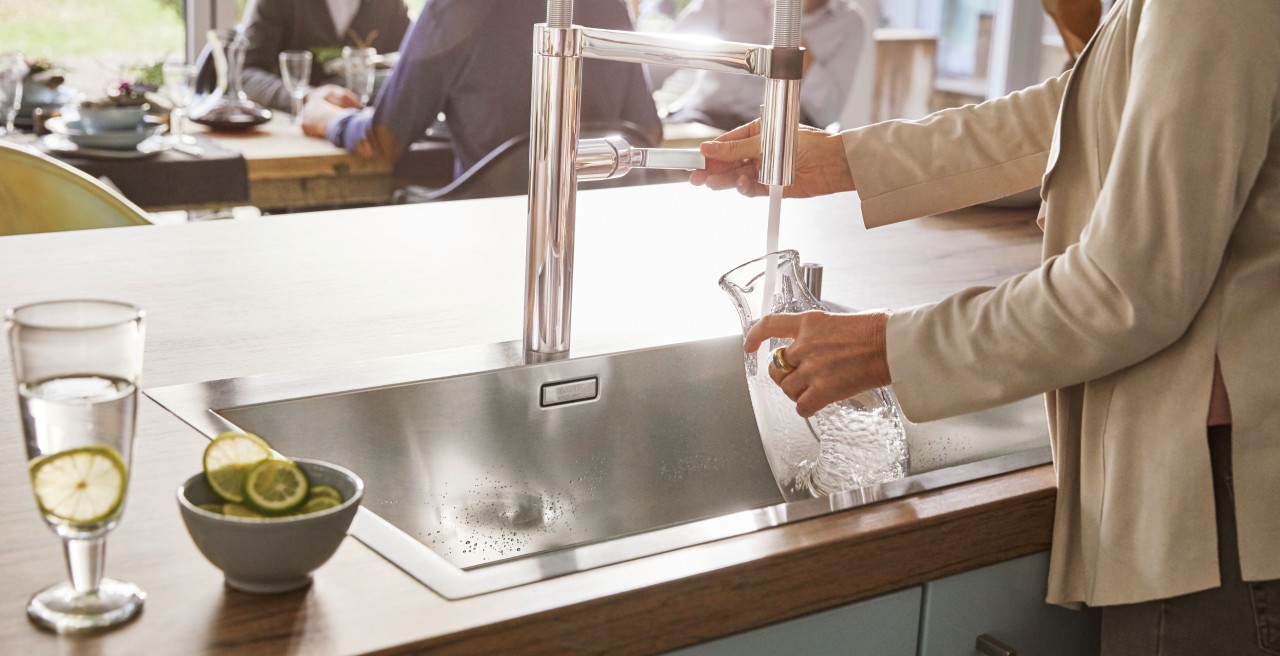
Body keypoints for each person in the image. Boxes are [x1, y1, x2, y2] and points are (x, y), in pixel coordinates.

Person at [691, 0, 1279, 652]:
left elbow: (1126, 288)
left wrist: (886, 349)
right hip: (1202, 478)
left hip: (1219, 494)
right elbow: (1081, 104)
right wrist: (848, 159)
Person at [301, 0, 662, 176]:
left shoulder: (454, 7)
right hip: (597, 233)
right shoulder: (610, 4)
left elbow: (383, 141)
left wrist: (326, 117)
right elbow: (648, 132)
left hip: (489, 234)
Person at [648, 0, 867, 130]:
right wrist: (636, 97)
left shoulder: (849, 21)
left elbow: (828, 114)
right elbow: (670, 54)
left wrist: (793, 42)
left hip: (778, 133)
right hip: (704, 116)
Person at [239, 0, 412, 113]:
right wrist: (306, 97)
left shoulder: (390, 5)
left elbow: (412, 68)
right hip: (291, 139)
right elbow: (244, 74)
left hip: (367, 136)